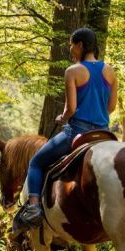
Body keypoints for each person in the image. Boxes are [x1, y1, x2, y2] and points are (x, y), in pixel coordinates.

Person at [19, 27, 118, 229]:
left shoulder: (72, 71)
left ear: (80, 45)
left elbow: (70, 108)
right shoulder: (109, 71)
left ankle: (34, 208)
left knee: (36, 163)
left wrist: (61, 117)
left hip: (77, 132)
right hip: (104, 134)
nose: (70, 49)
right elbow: (112, 107)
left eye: (72, 45)